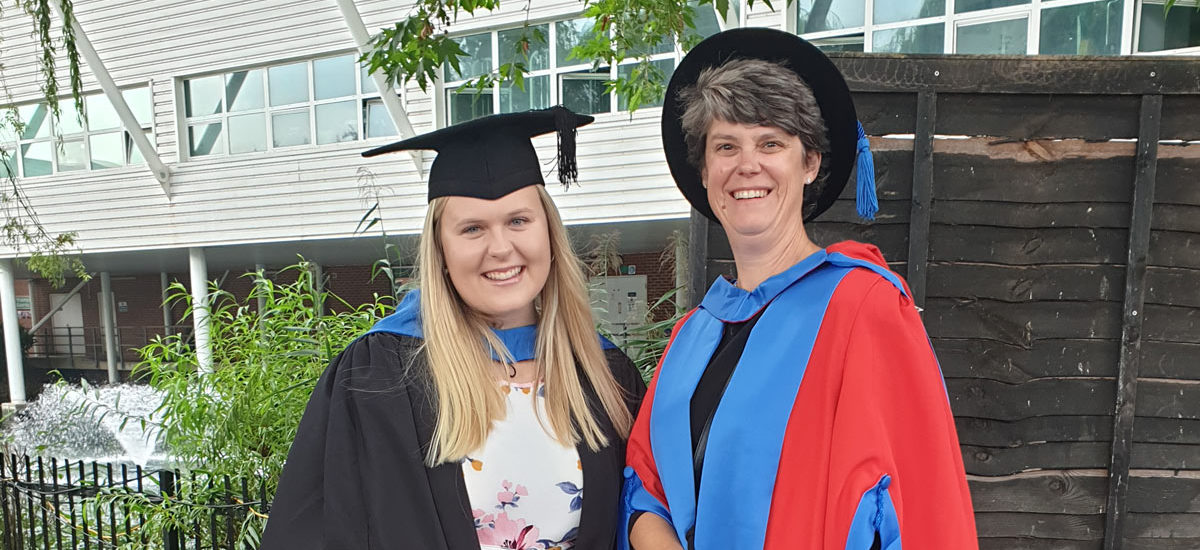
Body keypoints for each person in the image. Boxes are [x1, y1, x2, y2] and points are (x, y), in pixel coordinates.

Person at [620, 28, 977, 549]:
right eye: (726, 146)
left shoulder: (864, 308)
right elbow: (644, 488)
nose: (747, 165)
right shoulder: (692, 334)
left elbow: (924, 509)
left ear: (809, 163)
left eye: (771, 143)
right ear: (703, 171)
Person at [261, 107, 646, 550]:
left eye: (518, 220)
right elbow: (319, 529)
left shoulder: (605, 375)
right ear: (441, 250)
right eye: (472, 229)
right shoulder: (377, 376)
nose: (501, 248)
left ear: (549, 235)